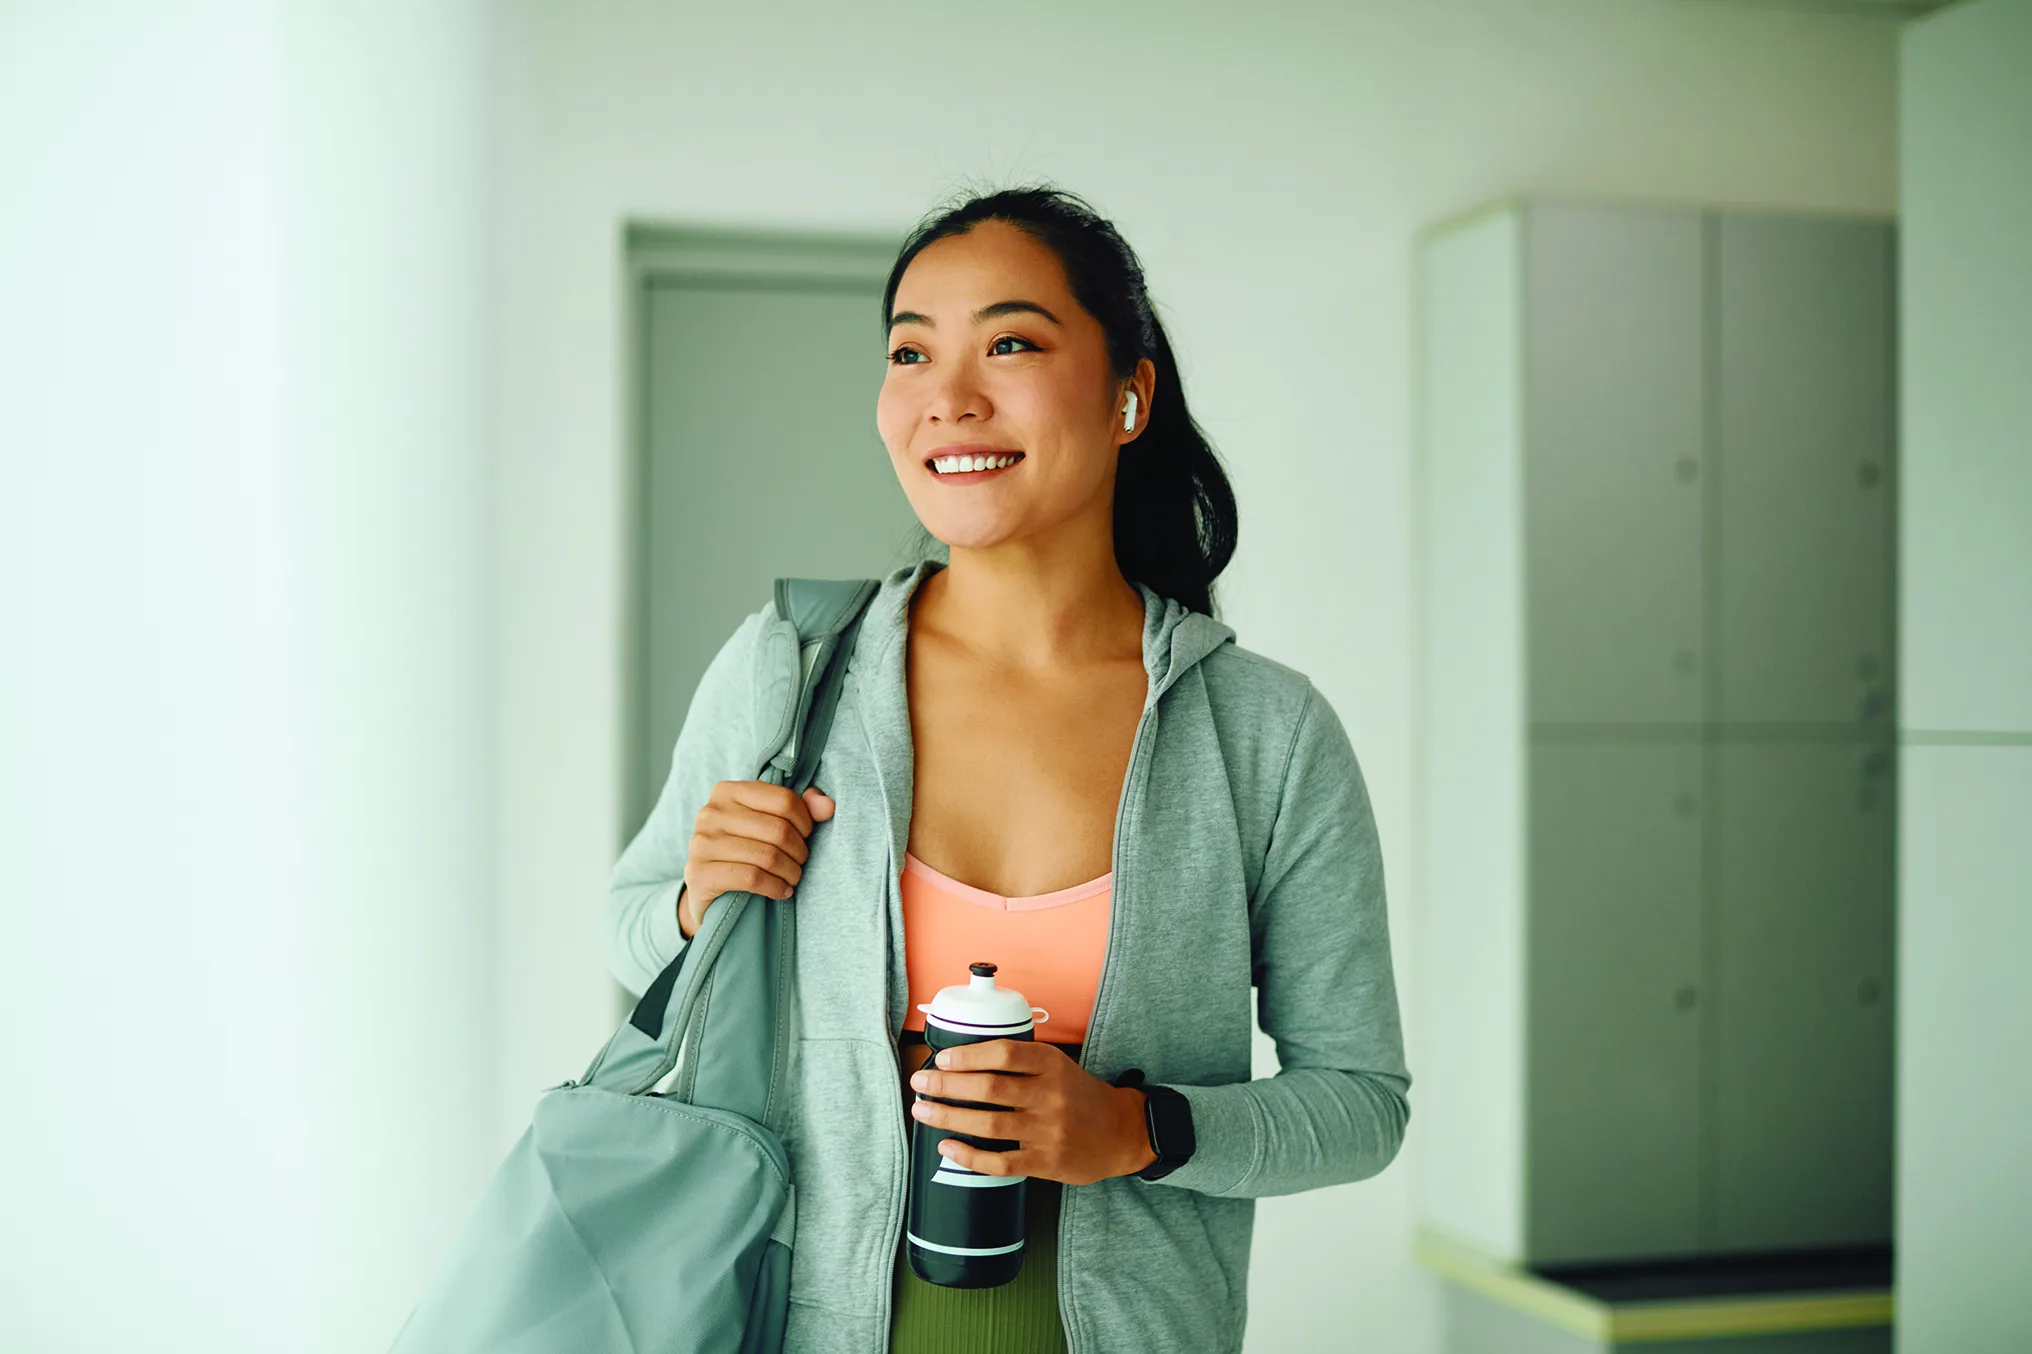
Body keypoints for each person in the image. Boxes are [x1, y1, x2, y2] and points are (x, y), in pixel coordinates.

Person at [605, 184, 1409, 1354]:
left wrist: (1139, 1130)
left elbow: (1359, 1103)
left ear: (1130, 395)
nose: (949, 398)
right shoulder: (788, 667)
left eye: (1012, 342)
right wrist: (694, 897)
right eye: (910, 352)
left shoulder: (1263, 731)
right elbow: (632, 933)